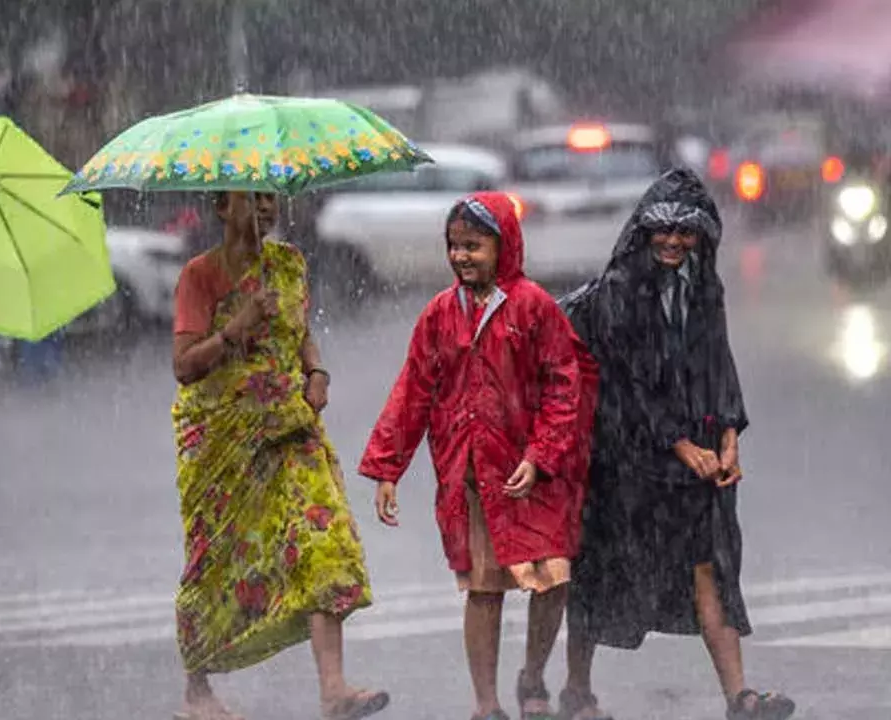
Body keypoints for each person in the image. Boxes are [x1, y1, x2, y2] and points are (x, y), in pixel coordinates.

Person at [558, 168, 795, 720]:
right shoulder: (618, 292)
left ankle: (740, 696)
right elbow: (629, 383)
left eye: (685, 232)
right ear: (644, 231)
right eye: (662, 229)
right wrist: (682, 446)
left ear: (702, 237)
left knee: (710, 567)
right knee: (600, 571)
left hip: (695, 462)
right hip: (625, 462)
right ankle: (576, 691)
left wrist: (729, 436)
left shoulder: (704, 286)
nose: (672, 241)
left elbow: (718, 365)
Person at [359, 192, 596, 720]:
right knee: (485, 591)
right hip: (474, 480)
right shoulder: (439, 316)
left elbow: (564, 387)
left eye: (474, 245)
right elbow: (413, 391)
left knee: (551, 581)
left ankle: (532, 674)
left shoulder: (534, 307)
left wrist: (541, 454)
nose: (462, 256)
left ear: (504, 245)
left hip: (537, 479)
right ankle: (485, 705)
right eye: (454, 246)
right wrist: (387, 468)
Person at [170, 190, 388, 720]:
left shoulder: (289, 264)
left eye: (271, 198)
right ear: (222, 208)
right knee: (216, 560)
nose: (266, 208)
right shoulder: (200, 276)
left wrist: (317, 371)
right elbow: (184, 366)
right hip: (223, 439)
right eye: (252, 199)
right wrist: (233, 329)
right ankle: (198, 693)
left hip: (290, 426)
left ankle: (334, 690)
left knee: (323, 537)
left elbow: (300, 334)